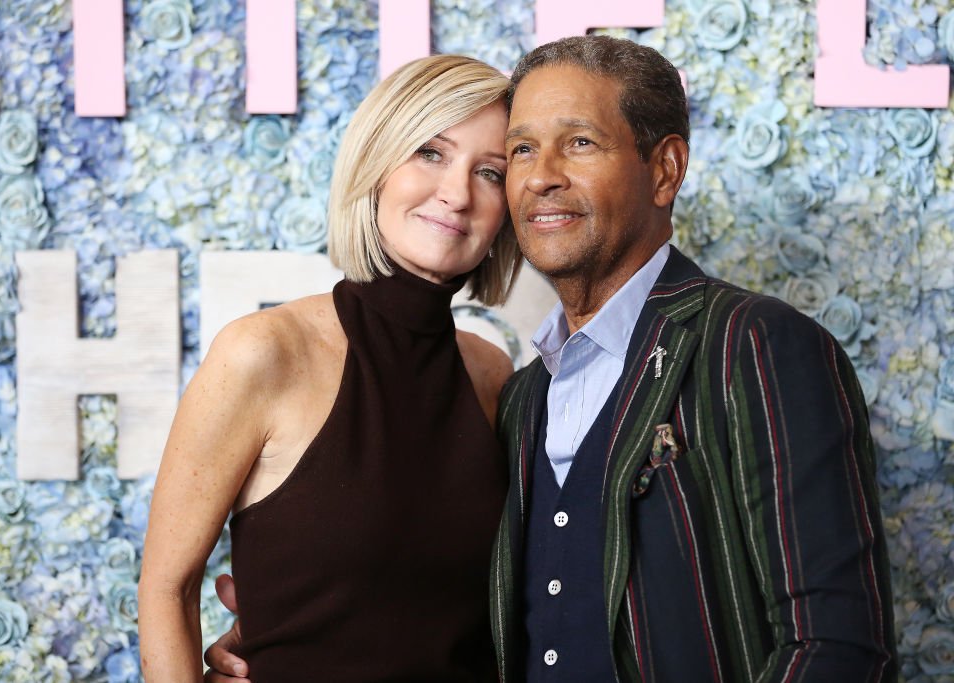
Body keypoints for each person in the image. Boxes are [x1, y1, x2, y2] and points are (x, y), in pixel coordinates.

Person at [205, 36, 897, 683]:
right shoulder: (518, 393)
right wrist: (288, 634)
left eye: (580, 143)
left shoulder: (756, 343)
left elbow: (836, 643)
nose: (542, 177)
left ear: (665, 171)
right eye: (523, 152)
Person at [138, 53, 522, 682]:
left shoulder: (491, 376)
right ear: (376, 162)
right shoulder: (262, 353)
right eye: (430, 152)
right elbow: (165, 589)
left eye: (490, 172)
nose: (457, 193)